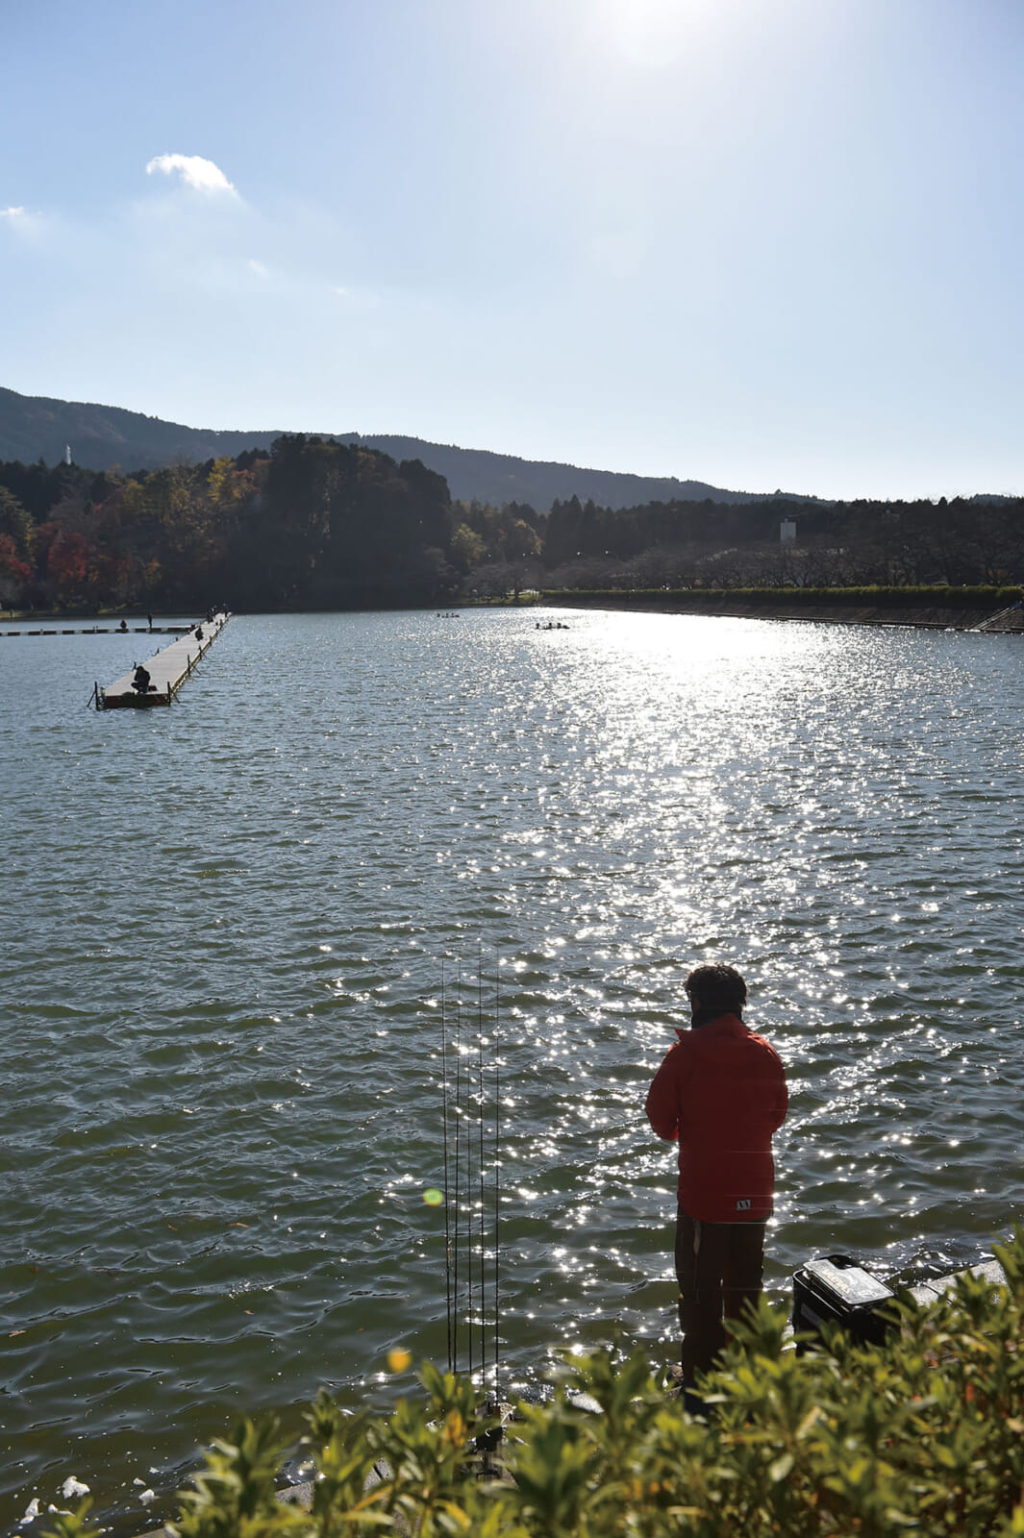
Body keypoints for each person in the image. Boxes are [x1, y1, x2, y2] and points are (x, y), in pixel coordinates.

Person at [645, 964, 787, 1401]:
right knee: (746, 1285)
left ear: (697, 1003)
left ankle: (701, 1382)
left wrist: (687, 1133)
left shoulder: (684, 1055)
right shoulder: (764, 1053)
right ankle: (746, 1372)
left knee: (701, 1291)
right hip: (756, 1192)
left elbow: (659, 1120)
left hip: (705, 1197)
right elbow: (776, 1116)